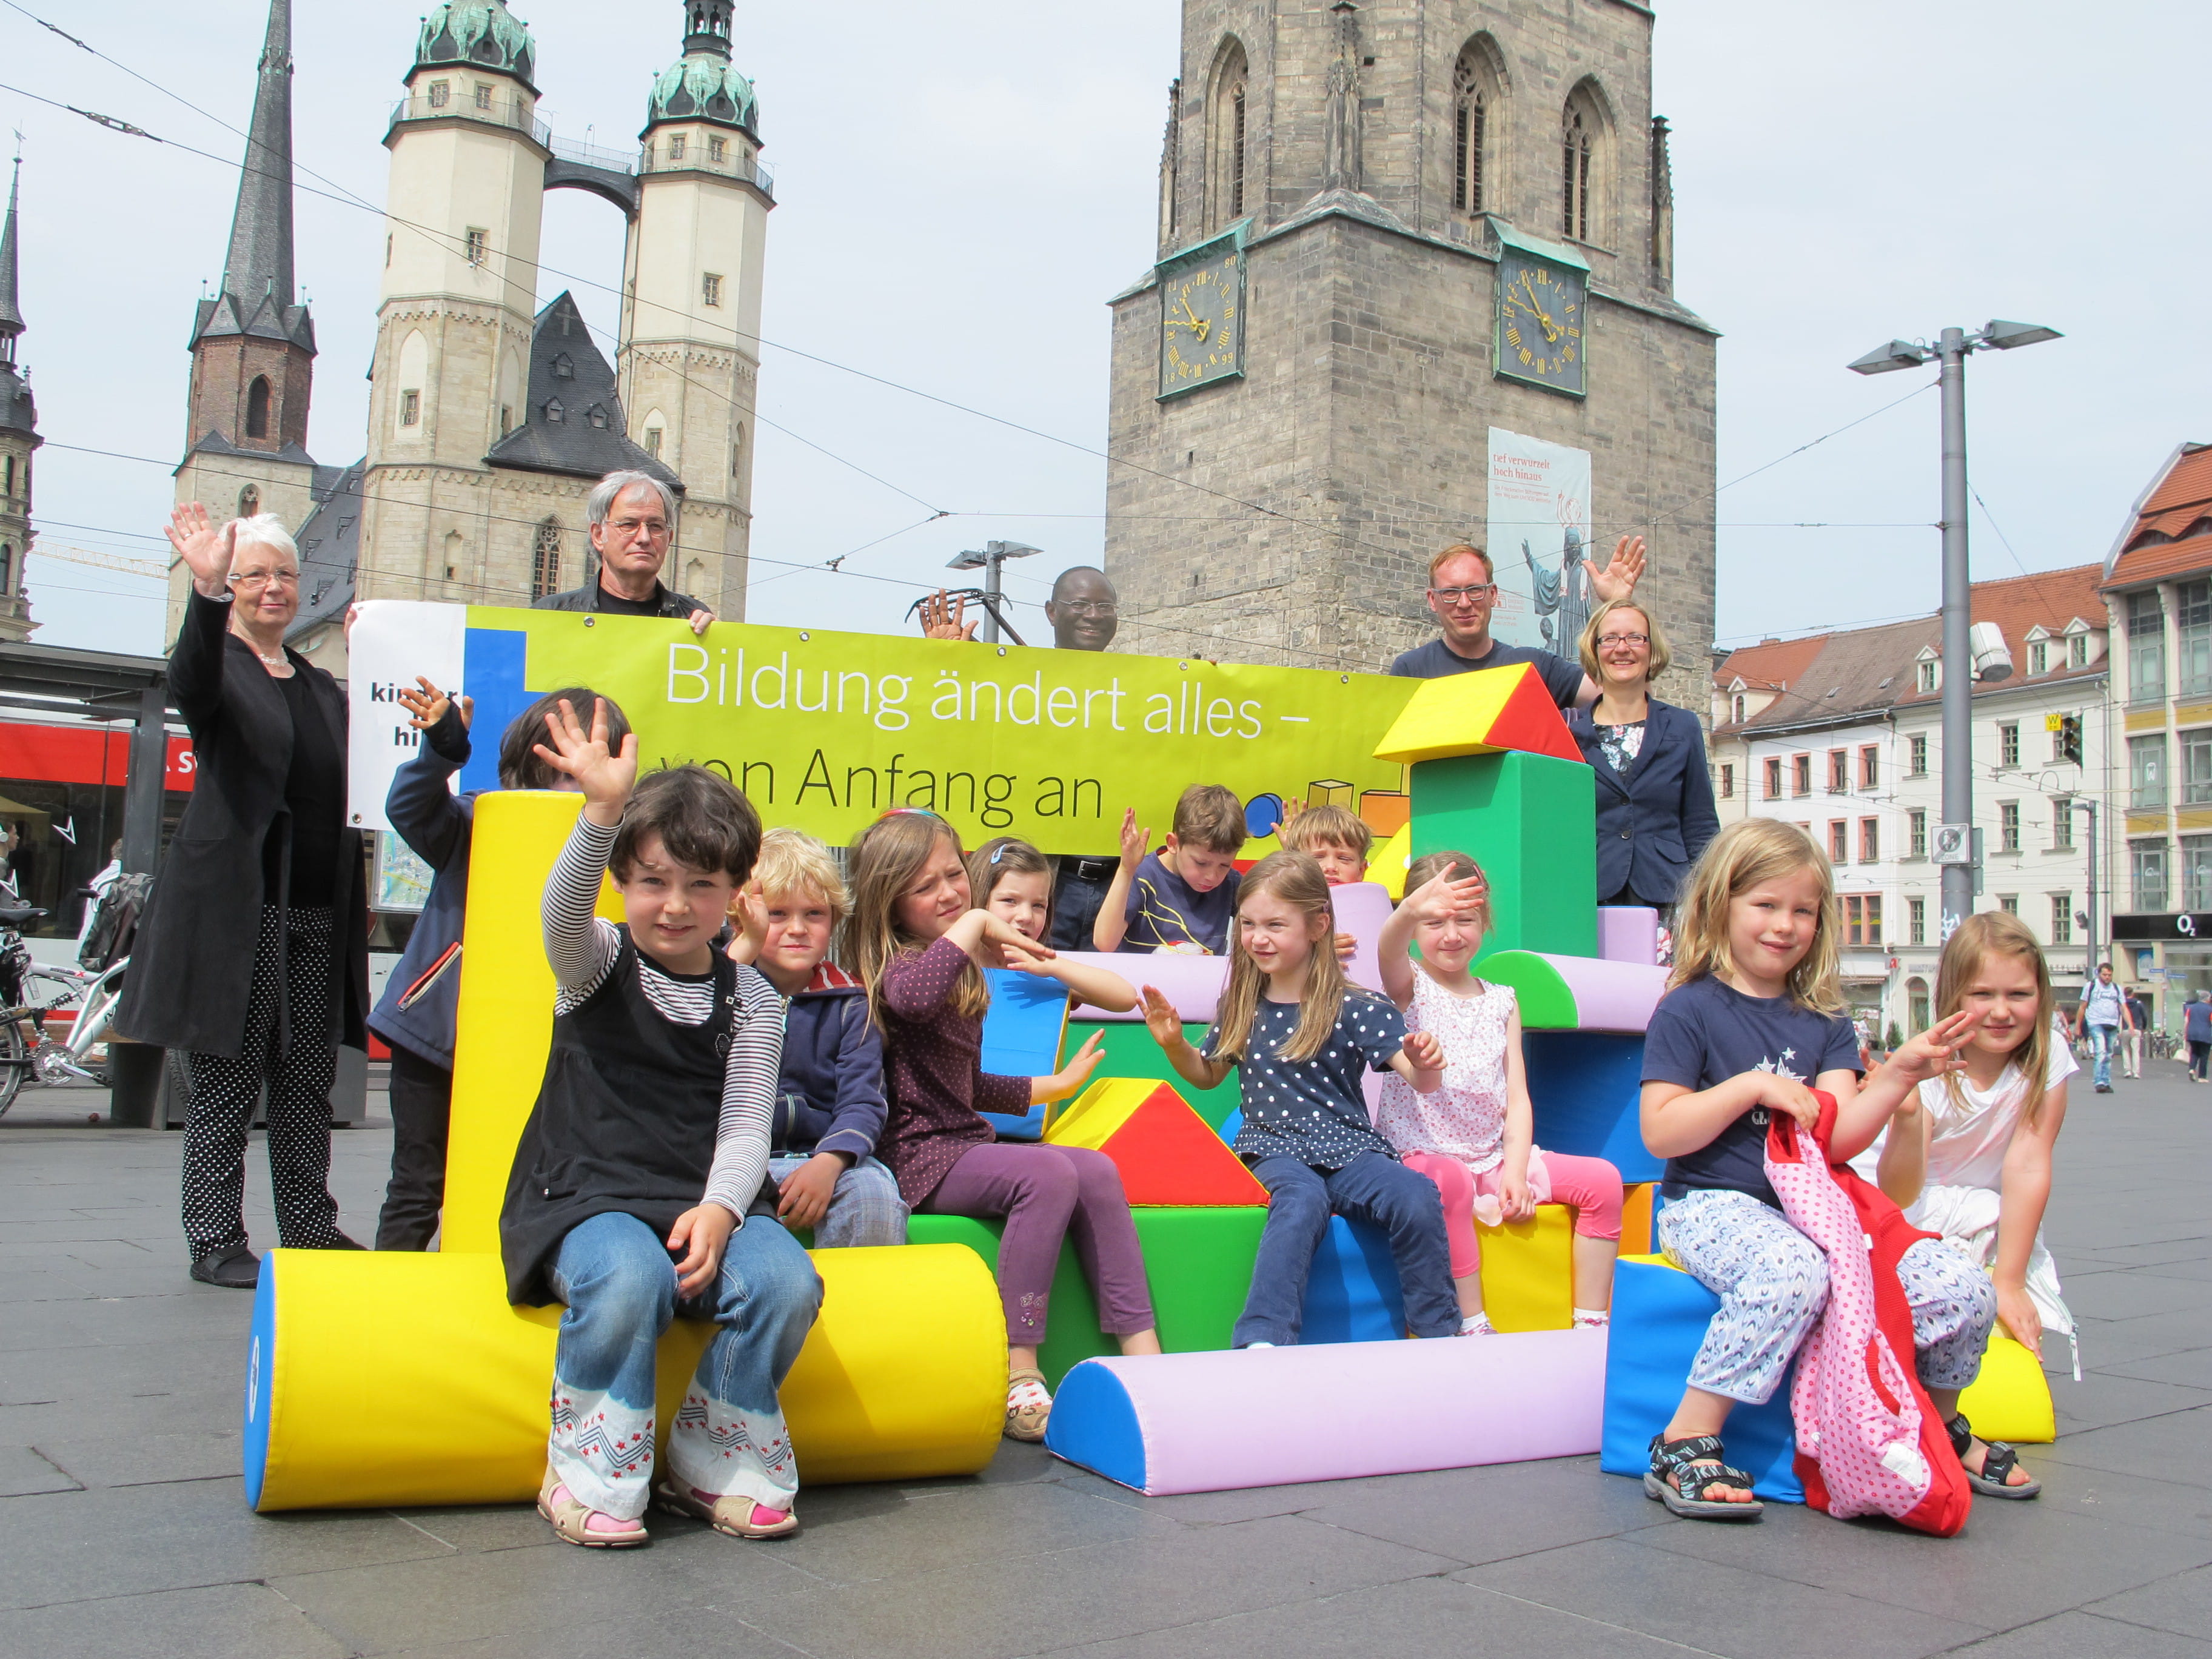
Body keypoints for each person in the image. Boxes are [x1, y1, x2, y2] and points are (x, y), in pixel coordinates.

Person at [501, 702, 820, 1546]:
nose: (674, 905)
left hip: (697, 1199)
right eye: (652, 882)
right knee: (630, 1273)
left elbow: (750, 1127)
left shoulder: (752, 997)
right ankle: (589, 1465)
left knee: (788, 1282)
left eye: (700, 886)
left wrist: (721, 1210)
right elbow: (560, 915)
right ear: (624, 883)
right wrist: (601, 813)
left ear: (736, 892)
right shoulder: (596, 960)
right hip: (586, 1196)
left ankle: (714, 1448)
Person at [1637, 818, 2012, 1521]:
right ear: (1721, 905)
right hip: (1711, 1203)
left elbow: (1838, 1141)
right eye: (1766, 905)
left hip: (1821, 1210)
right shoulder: (1688, 1008)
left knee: (1961, 1287)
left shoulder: (1826, 1022)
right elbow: (1660, 1128)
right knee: (1791, 1271)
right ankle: (1687, 1435)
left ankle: (1929, 1425)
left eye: (1802, 911)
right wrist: (1750, 1086)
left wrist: (1898, 1073)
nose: (1784, 925)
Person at [848, 809, 1161, 1441]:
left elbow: (964, 1086)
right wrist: (975, 922)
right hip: (915, 1156)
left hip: (961, 1142)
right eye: (925, 886)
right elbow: (910, 1000)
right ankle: (1020, 1370)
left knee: (1094, 1168)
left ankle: (1146, 1356)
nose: (948, 894)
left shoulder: (957, 967)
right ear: (889, 899)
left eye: (951, 877)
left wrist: (1054, 1087)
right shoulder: (898, 968)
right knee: (1045, 1172)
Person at [118, 504, 369, 1290]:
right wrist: (203, 592)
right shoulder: (219, 667)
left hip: (315, 912)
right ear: (232, 586)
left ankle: (309, 1229)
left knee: (304, 1085)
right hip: (240, 913)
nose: (273, 589)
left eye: (285, 576)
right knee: (227, 1078)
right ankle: (216, 1239)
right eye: (254, 575)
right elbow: (188, 671)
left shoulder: (322, 686)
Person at [1140, 851, 1458, 1347]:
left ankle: (1438, 1332)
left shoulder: (1357, 1005)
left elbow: (1419, 1080)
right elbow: (1206, 1076)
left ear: (1317, 925)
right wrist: (1175, 1045)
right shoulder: (1242, 1005)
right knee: (1301, 1201)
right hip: (1273, 1147)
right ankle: (1264, 1336)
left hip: (1349, 1148)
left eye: (1274, 925)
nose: (1257, 938)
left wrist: (1427, 1063)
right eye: (1247, 924)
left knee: (1415, 1195)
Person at [368, 680, 631, 1251]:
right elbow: (410, 807)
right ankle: (390, 1301)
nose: (578, 779)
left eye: (592, 764)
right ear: (528, 765)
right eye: (563, 766)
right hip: (436, 1037)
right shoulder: (475, 823)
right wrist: (441, 746)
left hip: (535, 1044)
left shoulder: (615, 842)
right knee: (418, 1184)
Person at [1377, 851, 1625, 1334]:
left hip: (1489, 1158)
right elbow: (1386, 950)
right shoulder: (1409, 984)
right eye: (1433, 921)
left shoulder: (1502, 1000)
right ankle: (1472, 1321)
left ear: (1484, 919)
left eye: (1465, 919)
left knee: (1603, 1181)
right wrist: (1408, 910)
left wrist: (1514, 1172)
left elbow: (1517, 1097)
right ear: (1411, 925)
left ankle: (1593, 1320)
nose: (1451, 934)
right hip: (1420, 1154)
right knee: (1448, 1182)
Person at [1858, 912, 2079, 1403]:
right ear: (1952, 997)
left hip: (1980, 1207)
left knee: (2007, 1266)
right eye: (1983, 995)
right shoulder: (1930, 1065)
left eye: (2018, 995)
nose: (2001, 1012)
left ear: (2041, 995)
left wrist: (2012, 1280)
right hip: (1901, 1203)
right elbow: (1899, 1193)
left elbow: (2028, 1163)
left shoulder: (2050, 1058)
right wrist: (1910, 1113)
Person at [918, 567, 1123, 949]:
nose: (1093, 614)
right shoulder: (1011, 685)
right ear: (1050, 612)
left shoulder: (1152, 697)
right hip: (1046, 882)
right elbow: (955, 736)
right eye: (1079, 604)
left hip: (1122, 888)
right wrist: (948, 666)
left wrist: (1205, 690)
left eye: (1104, 606)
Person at [725, 828, 907, 1248]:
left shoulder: (849, 1002)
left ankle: (861, 1312)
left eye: (814, 914)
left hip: (824, 1157)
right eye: (777, 914)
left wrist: (829, 1162)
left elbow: (862, 1101)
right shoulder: (722, 988)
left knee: (873, 1194)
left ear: (834, 919)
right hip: (736, 1160)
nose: (797, 929)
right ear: (741, 919)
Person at [1565, 599, 1718, 921]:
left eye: (1635, 638)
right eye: (1610, 639)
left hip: (1668, 895)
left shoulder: (1683, 726)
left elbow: (1700, 823)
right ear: (1594, 650)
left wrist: (1707, 897)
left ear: (1652, 650)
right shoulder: (1568, 734)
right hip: (1591, 894)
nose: (1623, 648)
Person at [1387, 535, 1646, 708]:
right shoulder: (1411, 670)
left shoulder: (1535, 667)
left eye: (1475, 589)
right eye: (1451, 593)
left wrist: (1617, 605)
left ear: (1493, 594)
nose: (1464, 603)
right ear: (1433, 600)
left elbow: (1625, 701)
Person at [966, 836, 1139, 1013]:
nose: (1026, 916)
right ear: (978, 897)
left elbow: (1127, 998)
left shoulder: (1041, 969)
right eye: (1010, 901)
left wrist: (1053, 966)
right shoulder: (956, 963)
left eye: (1038, 905)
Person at [531, 470, 712, 635]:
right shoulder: (552, 615)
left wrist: (719, 643)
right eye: (629, 525)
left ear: (669, 538)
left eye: (656, 527)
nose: (644, 538)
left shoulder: (692, 619)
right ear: (598, 535)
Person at [1094, 786, 1247, 955]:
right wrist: (1126, 870)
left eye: (1224, 865)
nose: (1212, 876)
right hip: (1140, 980)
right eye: (1201, 863)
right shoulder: (1142, 875)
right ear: (1173, 844)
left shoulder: (1231, 883)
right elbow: (1104, 943)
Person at [1276, 804, 1372, 886]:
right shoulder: (1285, 904)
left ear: (1361, 870)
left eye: (1344, 859)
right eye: (1317, 857)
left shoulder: (1374, 905)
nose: (1331, 867)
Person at [2072, 963, 2130, 1094]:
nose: (2107, 977)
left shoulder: (2116, 988)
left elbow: (2123, 1007)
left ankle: (2106, 1081)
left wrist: (2130, 1025)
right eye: (2104, 975)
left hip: (2112, 1024)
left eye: (2109, 975)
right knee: (2101, 1051)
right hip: (2096, 1022)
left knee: (2109, 1054)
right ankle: (2099, 1082)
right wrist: (2078, 1026)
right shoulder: (2091, 986)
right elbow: (2083, 1007)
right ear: (2098, 974)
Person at [2122, 987, 2148, 1080]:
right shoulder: (2139, 1004)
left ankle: (2127, 1071)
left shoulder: (2123, 1003)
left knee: (2125, 1049)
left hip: (2125, 1028)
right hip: (2137, 1029)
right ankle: (2136, 1072)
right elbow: (2144, 1016)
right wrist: (2144, 1027)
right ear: (2132, 993)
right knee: (2136, 1051)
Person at [2187, 991, 2212, 1083]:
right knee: (2204, 1055)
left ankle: (2192, 1069)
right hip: (2205, 1035)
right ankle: (2202, 1077)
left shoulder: (2191, 1008)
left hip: (2192, 1033)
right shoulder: (2210, 1009)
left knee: (2194, 1053)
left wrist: (2186, 1035)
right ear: (2207, 999)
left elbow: (2187, 1021)